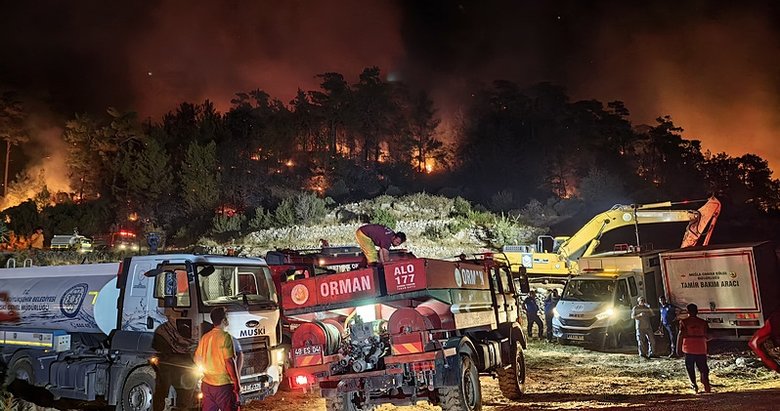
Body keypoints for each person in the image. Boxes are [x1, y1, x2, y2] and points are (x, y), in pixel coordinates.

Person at [195, 307, 241, 411]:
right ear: (224, 320)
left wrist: (207, 372)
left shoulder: (205, 337)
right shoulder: (226, 337)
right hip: (223, 386)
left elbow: (197, 358)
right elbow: (229, 361)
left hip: (207, 384)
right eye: (227, 317)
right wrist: (236, 382)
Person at [152, 318, 196, 410]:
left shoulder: (162, 329)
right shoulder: (190, 330)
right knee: (184, 398)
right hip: (184, 368)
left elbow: (156, 347)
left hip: (166, 366)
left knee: (161, 394)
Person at [677, 303, 711, 393]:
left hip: (689, 348)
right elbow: (708, 335)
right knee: (703, 367)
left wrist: (678, 348)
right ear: (697, 311)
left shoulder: (684, 322)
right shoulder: (703, 322)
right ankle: (706, 384)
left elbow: (680, 335)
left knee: (690, 367)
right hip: (701, 347)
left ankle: (694, 385)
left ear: (687, 311)